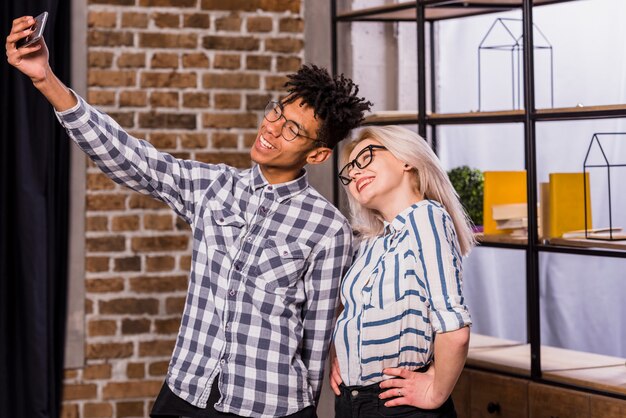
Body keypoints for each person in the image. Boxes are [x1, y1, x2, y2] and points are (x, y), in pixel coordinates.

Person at [6, 15, 372, 418]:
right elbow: (132, 158)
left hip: (269, 405)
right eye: (276, 113)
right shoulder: (213, 188)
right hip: (185, 394)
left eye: (292, 130)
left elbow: (315, 338)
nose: (271, 129)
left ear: (317, 154)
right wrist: (46, 80)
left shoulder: (328, 229)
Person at [329, 126, 474, 418]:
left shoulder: (426, 217)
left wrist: (435, 393)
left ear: (406, 160)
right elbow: (352, 311)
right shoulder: (372, 241)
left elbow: (454, 327)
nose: (355, 173)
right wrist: (344, 357)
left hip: (397, 406)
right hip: (352, 401)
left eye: (365, 158)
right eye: (349, 171)